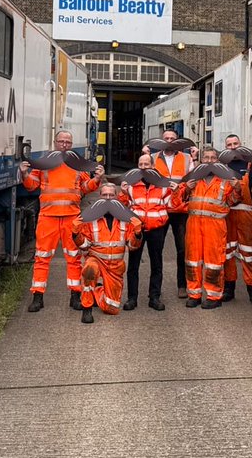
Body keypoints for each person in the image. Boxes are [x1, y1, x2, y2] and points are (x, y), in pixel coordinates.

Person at [20, 130, 104, 312]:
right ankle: (37, 297)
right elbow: (32, 185)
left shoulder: (75, 163)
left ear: (71, 144)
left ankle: (75, 296)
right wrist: (25, 174)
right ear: (55, 142)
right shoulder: (45, 163)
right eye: (61, 141)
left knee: (74, 258)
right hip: (48, 217)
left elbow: (84, 187)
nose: (64, 144)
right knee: (42, 258)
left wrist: (96, 179)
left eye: (68, 142)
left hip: (71, 218)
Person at [168, 147, 240, 308]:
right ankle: (194, 294)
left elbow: (233, 200)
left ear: (218, 161)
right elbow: (178, 200)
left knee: (214, 261)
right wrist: (186, 188)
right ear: (201, 161)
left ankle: (214, 297)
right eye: (206, 158)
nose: (209, 161)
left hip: (215, 225)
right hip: (193, 223)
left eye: (213, 158)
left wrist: (237, 188)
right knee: (192, 260)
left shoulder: (226, 180)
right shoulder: (193, 179)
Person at [73, 183, 143, 324]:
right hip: (96, 260)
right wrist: (75, 234)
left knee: (111, 309)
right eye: (105, 195)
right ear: (100, 197)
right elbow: (84, 246)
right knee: (89, 270)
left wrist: (138, 234)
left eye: (111, 195)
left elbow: (132, 246)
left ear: (116, 198)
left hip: (115, 268)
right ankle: (87, 308)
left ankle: (97, 290)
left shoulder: (125, 219)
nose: (108, 199)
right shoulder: (90, 218)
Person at [147, 129, 198, 299]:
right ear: (161, 141)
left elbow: (192, 181)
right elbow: (146, 180)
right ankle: (156, 289)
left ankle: (182, 285)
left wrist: (180, 189)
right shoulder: (152, 159)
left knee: (182, 249)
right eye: (166, 139)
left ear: (178, 142)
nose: (169, 141)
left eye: (172, 139)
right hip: (160, 207)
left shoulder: (186, 158)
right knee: (157, 249)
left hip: (180, 209)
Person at [119, 154, 172, 311]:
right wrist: (122, 193)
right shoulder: (130, 185)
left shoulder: (163, 185)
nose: (143, 167)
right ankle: (132, 298)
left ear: (153, 166)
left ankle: (154, 297)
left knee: (157, 264)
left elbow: (172, 205)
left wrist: (177, 192)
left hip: (157, 230)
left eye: (146, 164)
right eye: (140, 164)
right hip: (137, 230)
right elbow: (123, 207)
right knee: (133, 265)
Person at [222, 134, 252, 305]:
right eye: (229, 144)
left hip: (246, 214)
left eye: (235, 144)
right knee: (227, 252)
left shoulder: (251, 166)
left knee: (249, 254)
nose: (233, 147)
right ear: (226, 147)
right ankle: (228, 288)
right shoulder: (222, 166)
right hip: (227, 213)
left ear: (241, 144)